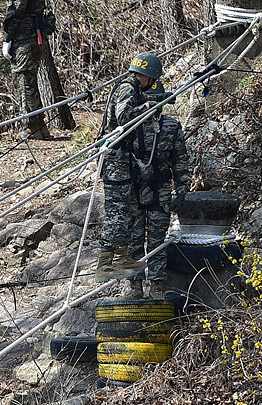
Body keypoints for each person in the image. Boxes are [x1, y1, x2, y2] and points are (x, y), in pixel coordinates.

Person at [95, 52, 163, 285]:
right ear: (149, 76)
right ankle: (104, 266)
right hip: (114, 157)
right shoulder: (127, 88)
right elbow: (123, 117)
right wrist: (147, 107)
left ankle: (121, 258)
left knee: (130, 207)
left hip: (122, 157)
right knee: (118, 211)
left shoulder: (130, 86)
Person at [123, 80, 190, 299]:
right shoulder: (129, 126)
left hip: (160, 190)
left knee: (157, 240)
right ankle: (134, 284)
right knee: (133, 238)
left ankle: (157, 284)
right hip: (133, 190)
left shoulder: (171, 126)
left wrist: (181, 190)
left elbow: (180, 161)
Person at [2, 0, 55, 140]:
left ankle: (31, 127)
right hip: (36, 37)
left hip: (24, 39)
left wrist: (8, 38)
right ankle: (40, 125)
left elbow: (17, 10)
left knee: (23, 82)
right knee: (31, 84)